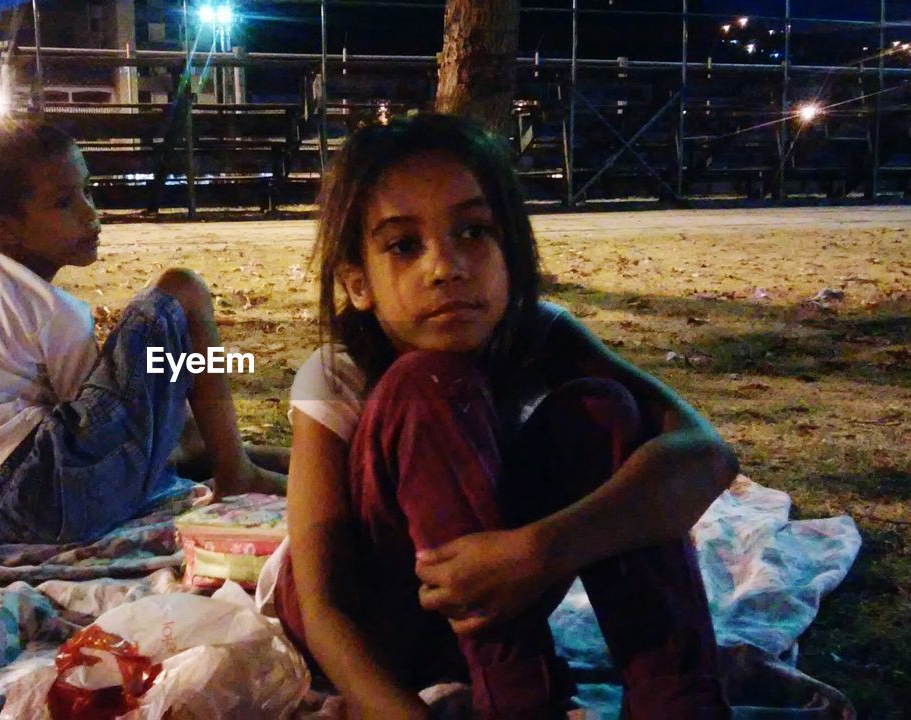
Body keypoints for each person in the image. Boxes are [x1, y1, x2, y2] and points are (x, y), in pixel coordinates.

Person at [273, 114, 736, 719]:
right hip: (369, 639)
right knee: (428, 383)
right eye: (404, 245)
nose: (446, 266)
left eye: (473, 231)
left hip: (501, 592)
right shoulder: (335, 376)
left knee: (603, 411)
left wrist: (538, 551)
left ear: (511, 252)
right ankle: (521, 700)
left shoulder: (544, 338)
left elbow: (706, 454)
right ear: (358, 283)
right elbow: (323, 608)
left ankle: (677, 699)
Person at [0, 119, 284, 543]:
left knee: (180, 424)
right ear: (4, 229)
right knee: (185, 290)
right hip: (51, 493)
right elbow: (100, 422)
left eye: (87, 191)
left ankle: (248, 458)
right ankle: (236, 472)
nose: (91, 215)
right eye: (65, 202)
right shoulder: (57, 315)